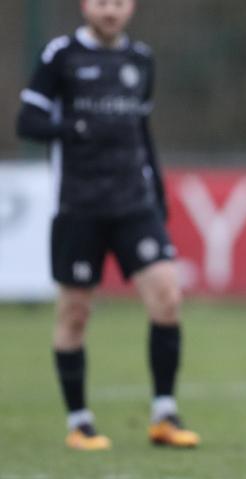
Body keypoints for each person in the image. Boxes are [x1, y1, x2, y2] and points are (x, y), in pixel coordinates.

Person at [15, 0, 198, 450]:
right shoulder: (61, 55)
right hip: (79, 207)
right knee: (75, 313)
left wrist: (158, 191)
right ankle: (79, 422)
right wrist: (72, 127)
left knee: (167, 297)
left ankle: (164, 415)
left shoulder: (141, 59)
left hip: (134, 203)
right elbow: (28, 121)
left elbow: (142, 129)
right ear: (85, 6)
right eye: (102, 2)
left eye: (118, 3)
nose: (110, 11)